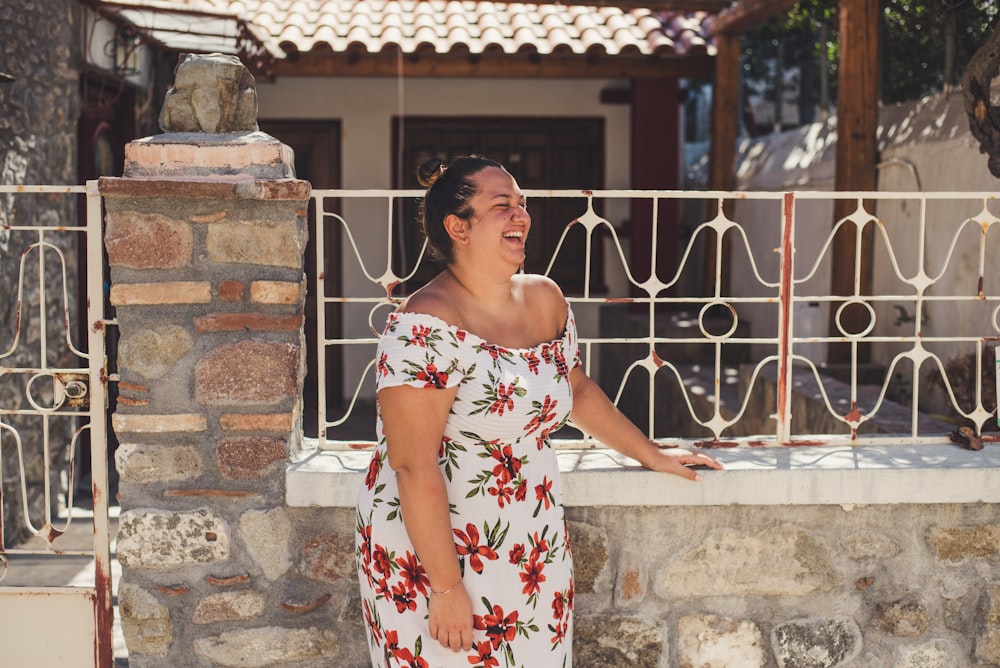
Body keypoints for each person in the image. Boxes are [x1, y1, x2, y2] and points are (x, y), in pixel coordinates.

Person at [355, 155, 723, 667]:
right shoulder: (422, 324)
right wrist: (444, 589)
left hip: (529, 541)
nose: (521, 215)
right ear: (457, 226)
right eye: (501, 205)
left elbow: (579, 392)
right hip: (432, 553)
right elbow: (412, 465)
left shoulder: (545, 299)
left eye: (522, 205)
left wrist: (653, 454)